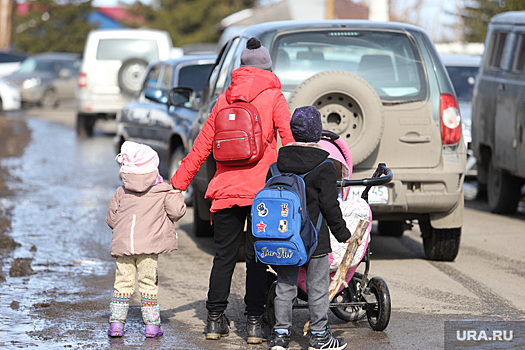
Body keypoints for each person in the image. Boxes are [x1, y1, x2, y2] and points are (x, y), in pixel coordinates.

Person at [170, 37, 295, 343]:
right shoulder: (274, 97)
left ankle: (214, 320)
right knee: (257, 258)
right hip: (262, 195)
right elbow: (289, 142)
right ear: (267, 67)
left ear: (240, 68)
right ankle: (253, 325)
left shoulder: (223, 101)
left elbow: (200, 149)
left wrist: (176, 185)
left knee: (224, 257)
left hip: (224, 193)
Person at [268, 106, 351, 350]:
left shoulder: (277, 164)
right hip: (315, 239)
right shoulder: (324, 166)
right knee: (317, 288)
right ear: (317, 133)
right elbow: (329, 206)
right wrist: (342, 233)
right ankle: (319, 337)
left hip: (285, 237)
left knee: (284, 287)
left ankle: (280, 336)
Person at [106, 141, 186, 338]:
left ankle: (116, 325)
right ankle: (151, 325)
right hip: (149, 250)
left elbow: (111, 219)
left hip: (124, 247)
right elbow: (177, 212)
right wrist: (177, 195)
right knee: (148, 284)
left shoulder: (120, 193)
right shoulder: (162, 192)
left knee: (122, 284)